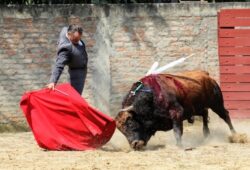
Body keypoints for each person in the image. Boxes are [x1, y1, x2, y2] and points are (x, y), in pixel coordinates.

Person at [47, 24, 88, 95]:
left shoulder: (65, 30)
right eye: (75, 39)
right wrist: (52, 81)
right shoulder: (65, 48)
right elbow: (59, 65)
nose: (78, 41)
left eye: (79, 39)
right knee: (76, 97)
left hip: (81, 68)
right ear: (69, 34)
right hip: (77, 73)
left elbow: (65, 28)